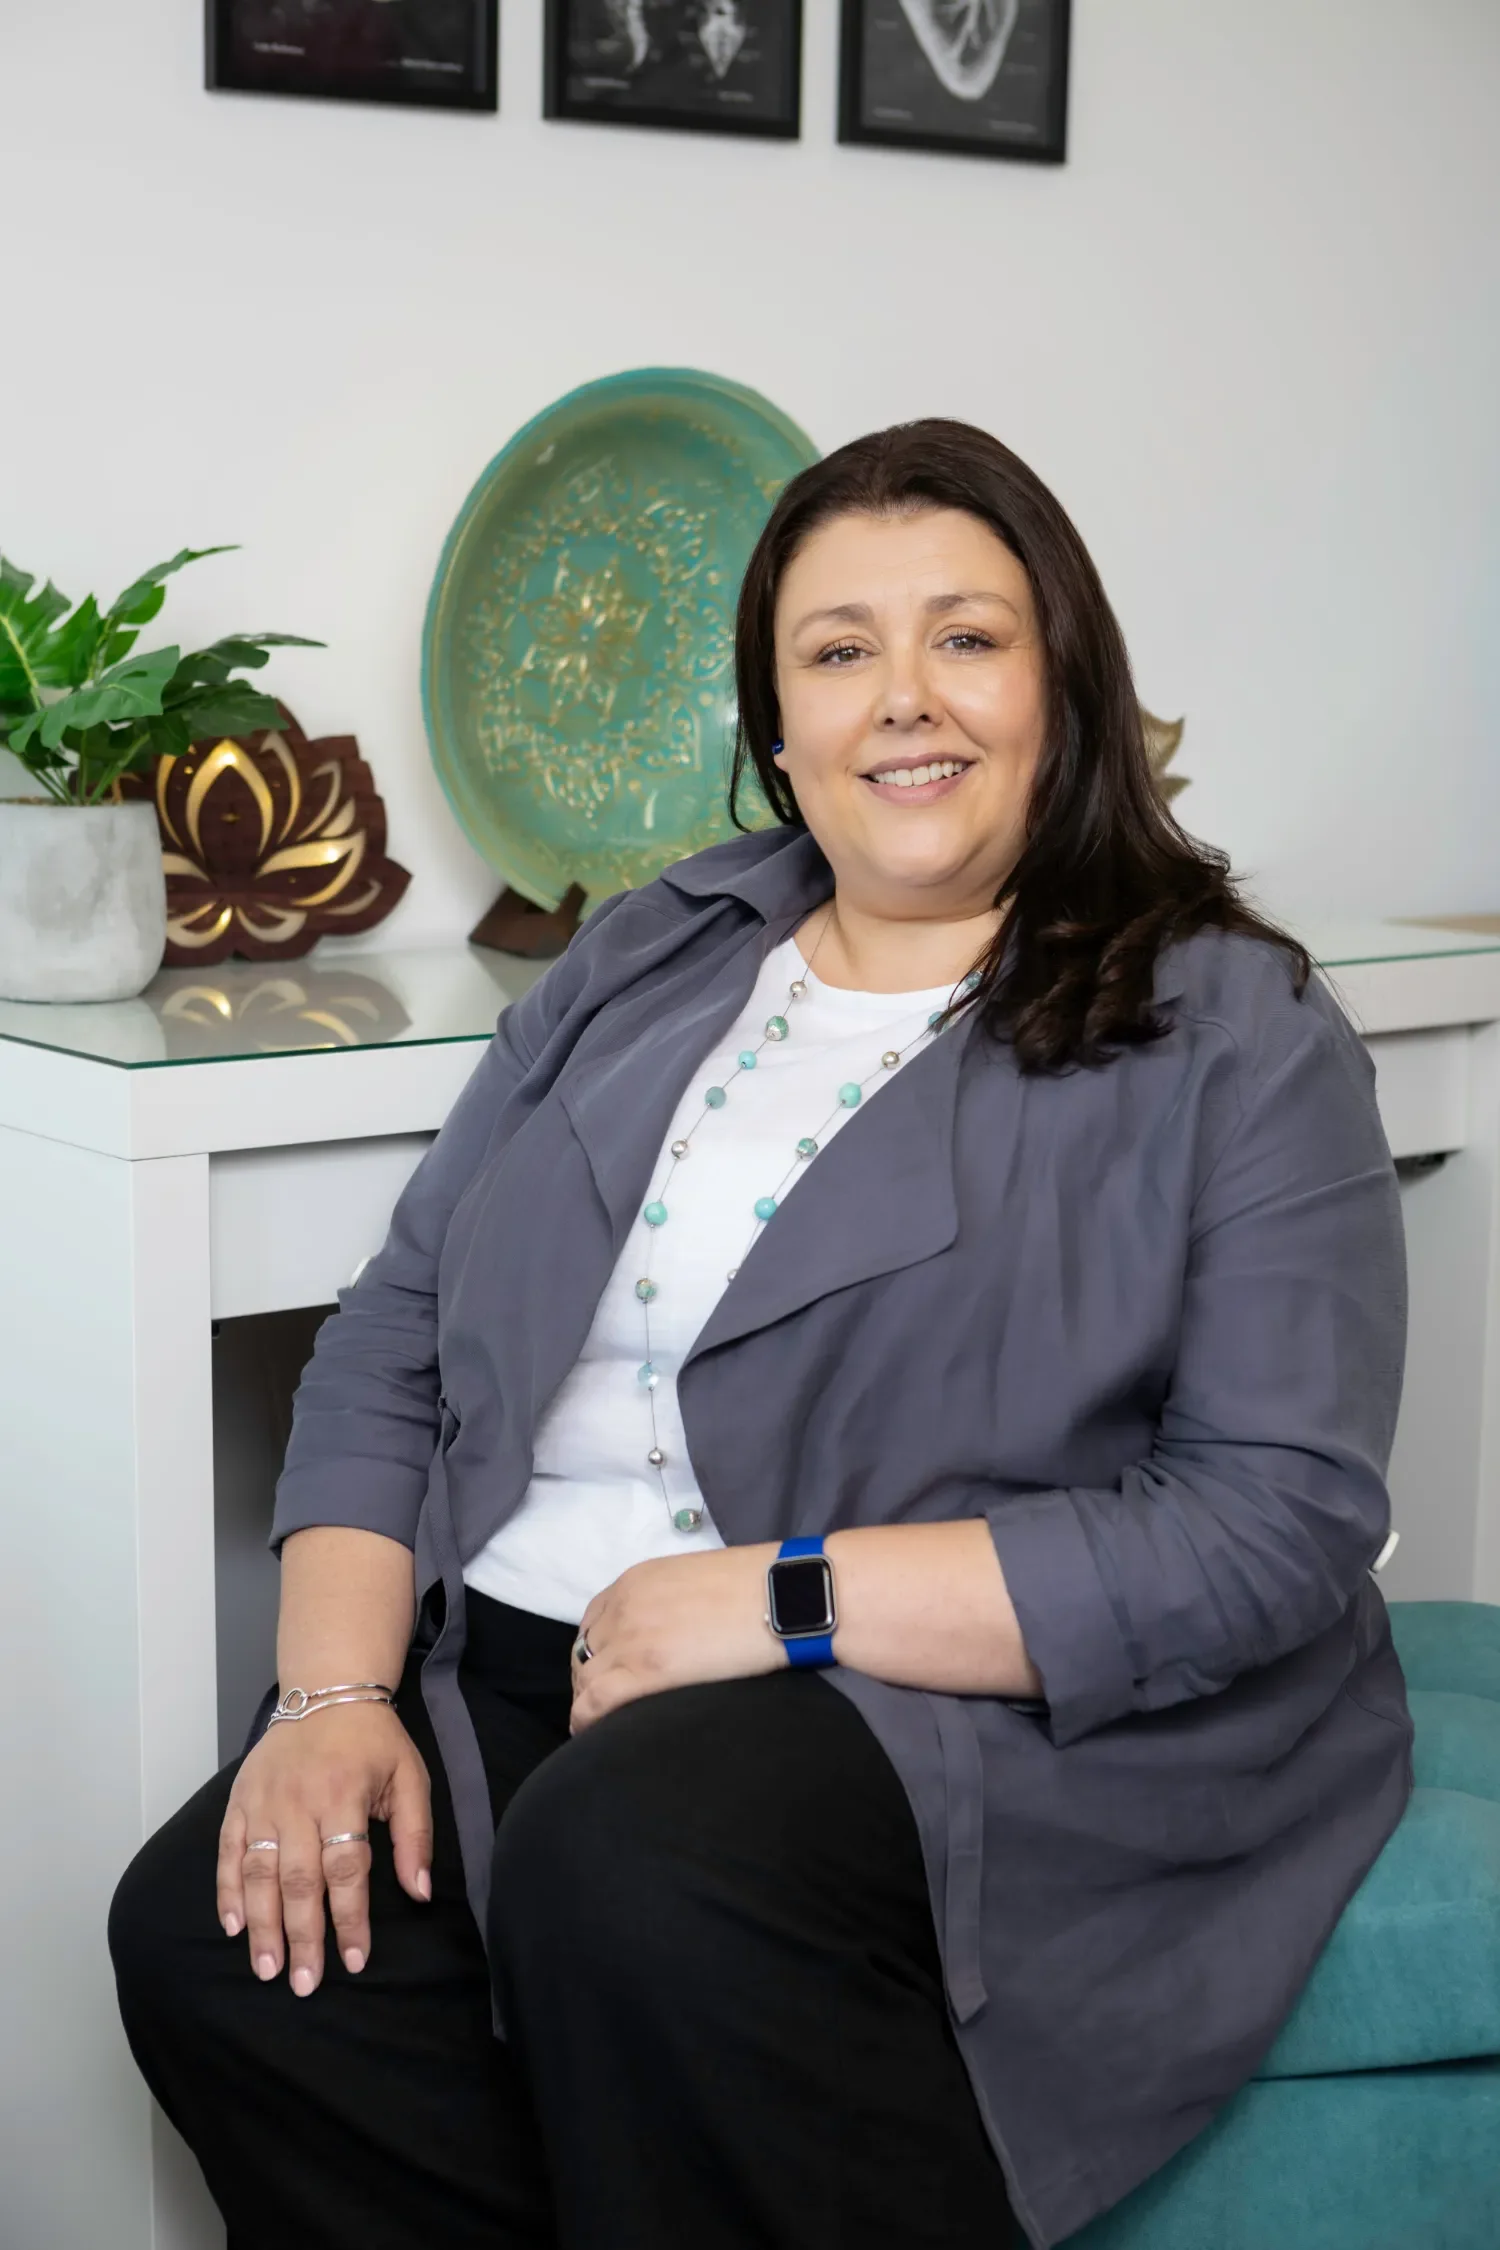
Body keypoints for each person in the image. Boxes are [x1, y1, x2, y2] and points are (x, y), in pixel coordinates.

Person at [109, 419, 1412, 2250]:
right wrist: (328, 1704)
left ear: (1067, 684)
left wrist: (786, 1593)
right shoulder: (651, 950)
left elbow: (1274, 1519)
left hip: (937, 1691)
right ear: (775, 726)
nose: (905, 700)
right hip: (522, 1653)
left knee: (629, 1861)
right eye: (837, 650)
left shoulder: (1234, 1026)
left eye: (966, 636)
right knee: (214, 1931)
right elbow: (397, 1331)